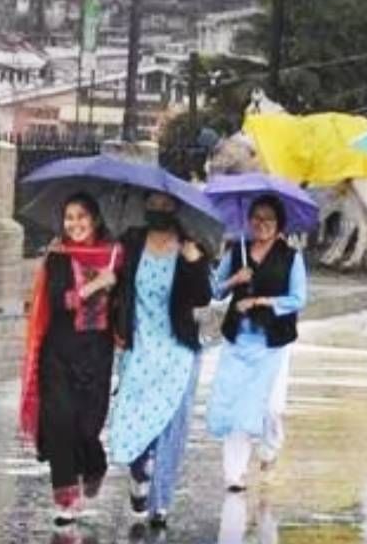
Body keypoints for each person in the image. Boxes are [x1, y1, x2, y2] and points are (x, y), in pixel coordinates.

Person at [107, 192, 212, 530]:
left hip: (177, 349)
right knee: (134, 414)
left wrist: (194, 262)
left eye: (166, 205)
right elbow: (115, 283)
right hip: (139, 345)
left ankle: (161, 502)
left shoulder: (190, 246)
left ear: (176, 208)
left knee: (170, 427)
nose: (159, 210)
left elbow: (202, 297)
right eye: (152, 203)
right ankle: (139, 473)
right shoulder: (131, 241)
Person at [18, 194, 125, 526]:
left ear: (94, 219)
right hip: (59, 352)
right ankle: (65, 499)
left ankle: (95, 465)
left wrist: (115, 283)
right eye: (69, 218)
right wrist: (96, 286)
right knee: (59, 421)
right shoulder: (57, 257)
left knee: (87, 426)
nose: (74, 224)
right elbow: (60, 300)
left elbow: (125, 305)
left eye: (81, 217)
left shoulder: (116, 256)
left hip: (97, 353)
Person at [207, 195, 308, 492]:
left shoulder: (291, 257)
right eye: (257, 218)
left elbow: (298, 298)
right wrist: (234, 281)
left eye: (269, 219)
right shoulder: (236, 251)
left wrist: (262, 301)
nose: (261, 224)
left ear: (279, 226)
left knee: (271, 408)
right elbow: (213, 290)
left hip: (273, 343)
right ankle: (234, 474)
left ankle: (270, 448)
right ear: (248, 220)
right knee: (236, 407)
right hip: (238, 341)